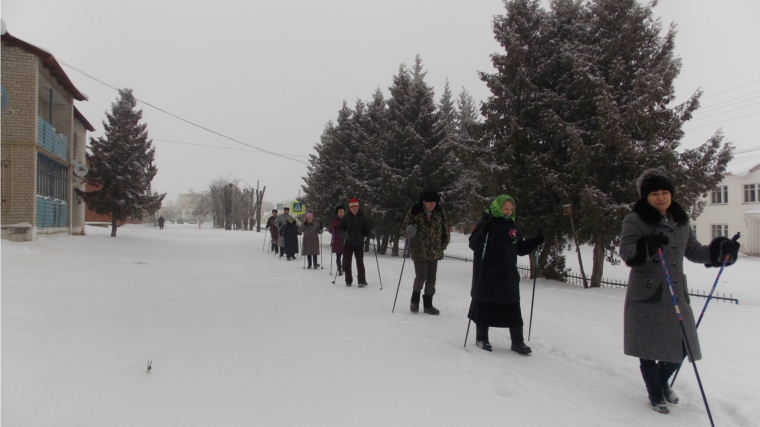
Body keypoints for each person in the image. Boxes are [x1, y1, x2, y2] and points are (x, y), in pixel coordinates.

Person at [618, 169, 740, 414]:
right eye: (655, 193)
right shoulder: (635, 220)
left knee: (683, 346)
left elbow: (693, 250)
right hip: (648, 292)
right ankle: (655, 393)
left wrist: (719, 251)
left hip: (676, 291)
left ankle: (662, 381)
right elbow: (627, 252)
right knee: (648, 347)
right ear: (645, 197)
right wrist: (647, 246)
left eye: (665, 192)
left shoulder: (680, 221)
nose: (661, 197)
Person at [468, 195, 543, 355]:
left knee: (512, 307)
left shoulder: (512, 226)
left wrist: (534, 241)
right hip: (487, 274)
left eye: (511, 209)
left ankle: (517, 342)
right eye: (505, 209)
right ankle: (481, 338)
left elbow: (520, 248)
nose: (508, 212)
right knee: (485, 305)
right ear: (498, 207)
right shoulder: (486, 222)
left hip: (508, 274)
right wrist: (484, 230)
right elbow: (474, 244)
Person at [401, 190, 450, 315]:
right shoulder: (414, 212)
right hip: (419, 251)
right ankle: (415, 299)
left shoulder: (439, 212)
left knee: (431, 280)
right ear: (423, 201)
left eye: (434, 202)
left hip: (434, 251)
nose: (432, 205)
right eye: (430, 202)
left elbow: (445, 230)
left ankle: (428, 305)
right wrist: (408, 231)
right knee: (421, 276)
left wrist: (442, 246)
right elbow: (403, 229)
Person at [337, 198, 372, 287]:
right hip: (348, 243)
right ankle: (348, 280)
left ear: (358, 208)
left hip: (359, 243)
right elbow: (339, 228)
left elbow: (366, 229)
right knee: (348, 262)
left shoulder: (362, 217)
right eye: (353, 208)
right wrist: (343, 234)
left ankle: (361, 280)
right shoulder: (345, 217)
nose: (355, 209)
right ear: (350, 208)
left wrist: (369, 234)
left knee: (360, 262)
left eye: (356, 208)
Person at [328, 205, 346, 275]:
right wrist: (332, 227)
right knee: (338, 256)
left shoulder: (346, 220)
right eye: (340, 212)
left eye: (342, 212)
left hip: (345, 240)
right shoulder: (334, 220)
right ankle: (339, 269)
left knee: (345, 255)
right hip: (337, 240)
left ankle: (344, 268)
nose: (341, 213)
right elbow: (330, 230)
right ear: (337, 213)